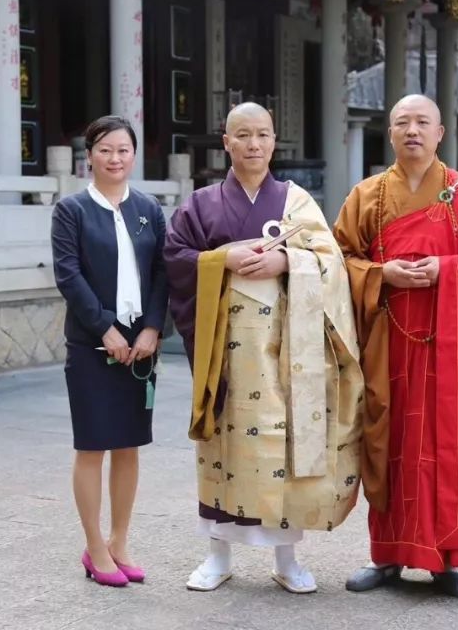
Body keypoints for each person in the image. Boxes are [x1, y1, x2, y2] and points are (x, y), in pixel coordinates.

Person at [163, 102, 364, 594]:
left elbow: (330, 262)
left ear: (275, 141)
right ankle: (217, 556)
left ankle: (287, 559)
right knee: (222, 445)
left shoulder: (296, 200)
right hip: (224, 351)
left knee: (282, 445)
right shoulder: (201, 204)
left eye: (263, 135)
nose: (254, 144)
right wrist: (222, 258)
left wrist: (287, 263)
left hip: (285, 351)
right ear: (226, 141)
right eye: (243, 135)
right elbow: (174, 256)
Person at [335, 94, 458, 597]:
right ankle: (387, 557)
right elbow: (335, 261)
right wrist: (382, 273)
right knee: (389, 444)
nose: (412, 130)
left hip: (454, 348)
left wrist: (447, 269)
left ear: (441, 133)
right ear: (390, 134)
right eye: (403, 123)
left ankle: (446, 560)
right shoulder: (368, 196)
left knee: (447, 448)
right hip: (389, 344)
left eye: (423, 122)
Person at [51, 115, 169, 588]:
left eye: (123, 150)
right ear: (90, 156)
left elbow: (163, 271)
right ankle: (94, 545)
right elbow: (68, 275)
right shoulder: (71, 210)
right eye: (105, 150)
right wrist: (105, 328)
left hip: (141, 348)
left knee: (128, 445)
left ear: (133, 155)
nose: (115, 158)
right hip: (92, 346)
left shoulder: (149, 208)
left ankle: (120, 541)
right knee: (92, 446)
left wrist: (153, 328)